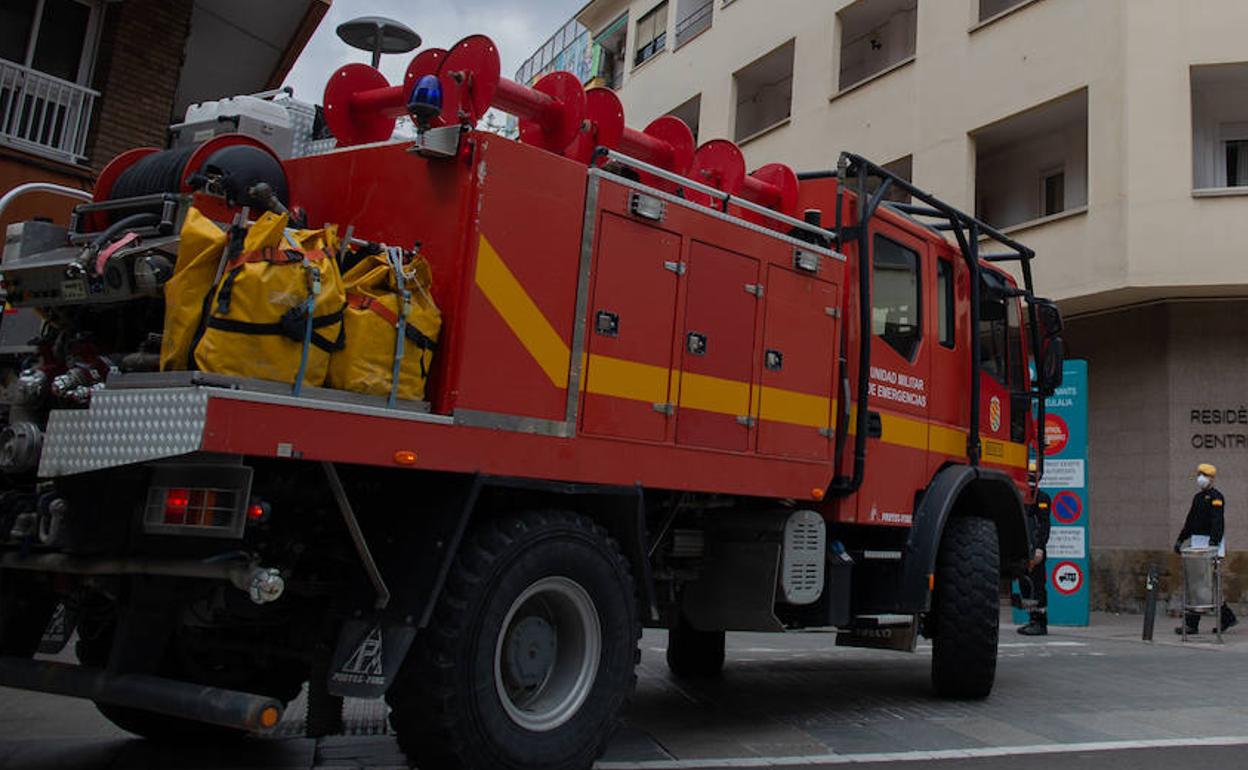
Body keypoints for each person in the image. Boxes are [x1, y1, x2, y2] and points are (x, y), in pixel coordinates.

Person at [1174, 463, 1237, 634]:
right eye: (1199, 474)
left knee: (1207, 584)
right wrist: (1181, 539)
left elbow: (1218, 521)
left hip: (1211, 544)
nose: (1200, 478)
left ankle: (1196, 623)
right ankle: (1225, 618)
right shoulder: (1198, 498)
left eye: (1204, 475)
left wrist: (1214, 544)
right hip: (1197, 542)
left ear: (1211, 478)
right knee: (1198, 584)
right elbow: (1190, 521)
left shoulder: (1217, 497)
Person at [1017, 490, 1051, 636]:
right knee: (1025, 586)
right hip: (1022, 548)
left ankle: (1040, 623)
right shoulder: (1018, 495)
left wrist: (1040, 547)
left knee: (1037, 585)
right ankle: (1032, 619)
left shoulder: (1041, 497)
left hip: (1035, 549)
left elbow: (1043, 525)